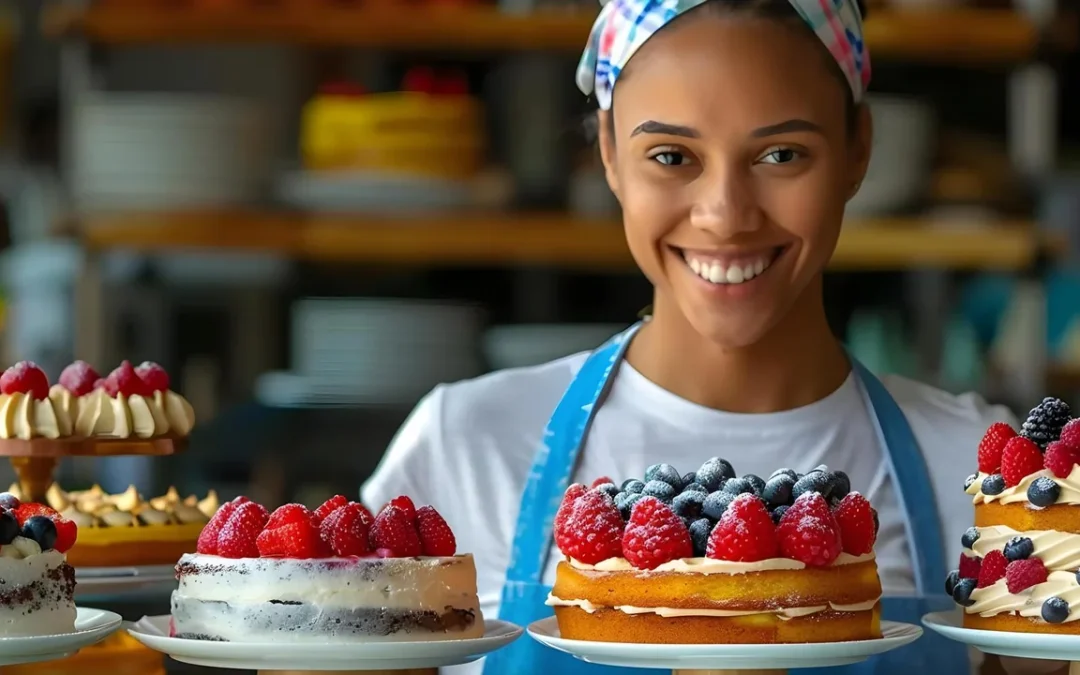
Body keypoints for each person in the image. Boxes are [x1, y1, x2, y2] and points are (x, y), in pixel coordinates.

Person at [362, 0, 1022, 672]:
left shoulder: (984, 477)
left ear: (858, 151)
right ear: (609, 155)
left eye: (781, 153)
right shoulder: (466, 446)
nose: (725, 215)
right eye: (672, 155)